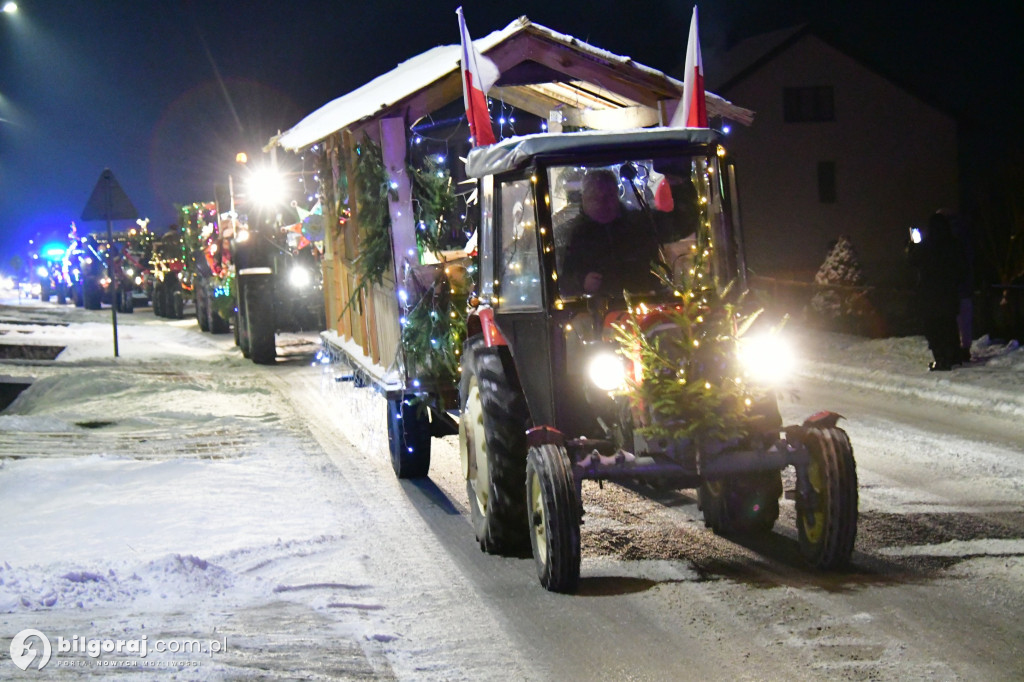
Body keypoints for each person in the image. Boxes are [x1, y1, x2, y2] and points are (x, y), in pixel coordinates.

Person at [562, 169, 660, 295]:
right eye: (595, 197)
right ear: (584, 198)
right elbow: (560, 281)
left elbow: (656, 269)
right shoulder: (572, 234)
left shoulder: (637, 226)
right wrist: (582, 282)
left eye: (608, 196)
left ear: (616, 195)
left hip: (641, 302)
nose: (602, 203)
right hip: (590, 307)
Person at [907, 211, 964, 371]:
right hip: (949, 294)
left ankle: (941, 359)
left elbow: (913, 261)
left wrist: (912, 244)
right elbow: (961, 268)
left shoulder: (926, 246)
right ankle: (954, 355)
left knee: (934, 327)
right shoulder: (954, 244)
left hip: (930, 295)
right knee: (949, 324)